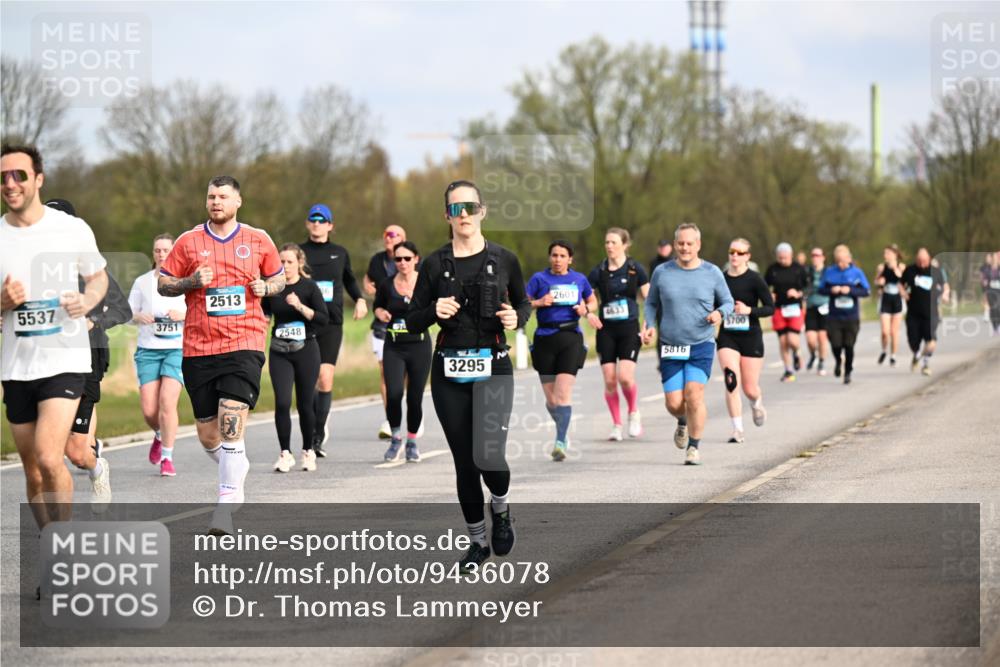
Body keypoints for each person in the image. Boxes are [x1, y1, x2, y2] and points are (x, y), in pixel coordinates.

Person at [406, 179, 531, 572]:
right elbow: (411, 321)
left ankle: (502, 507)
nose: (464, 215)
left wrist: (517, 318)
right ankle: (477, 542)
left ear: (482, 211)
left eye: (470, 207)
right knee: (464, 461)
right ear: (447, 215)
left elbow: (524, 303)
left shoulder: (505, 258)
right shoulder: (433, 263)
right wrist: (433, 311)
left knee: (489, 455)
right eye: (456, 209)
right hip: (448, 368)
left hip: (493, 364)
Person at [158, 175, 284, 534]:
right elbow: (163, 283)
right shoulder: (188, 242)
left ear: (237, 202)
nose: (215, 202)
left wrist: (266, 286)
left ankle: (225, 508)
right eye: (211, 196)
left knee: (232, 422)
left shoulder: (257, 240)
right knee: (208, 435)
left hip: (244, 342)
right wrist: (190, 283)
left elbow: (278, 279)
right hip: (199, 348)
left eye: (223, 196)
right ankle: (235, 465)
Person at [1, 144, 109, 528]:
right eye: (4, 178)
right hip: (16, 368)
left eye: (20, 175)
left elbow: (98, 278)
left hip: (65, 361)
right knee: (32, 472)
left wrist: (86, 301)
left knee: (50, 458)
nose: (11, 184)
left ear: (38, 180)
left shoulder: (71, 228)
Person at [44, 199, 129, 498]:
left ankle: (96, 466)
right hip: (47, 359)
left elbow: (124, 310)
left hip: (89, 355)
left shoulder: (93, 269)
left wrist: (96, 321)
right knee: (47, 448)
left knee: (77, 453)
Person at [642, 223, 734, 465]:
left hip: (700, 343)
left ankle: (693, 447)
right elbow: (650, 303)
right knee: (674, 403)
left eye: (689, 243)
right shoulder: (662, 272)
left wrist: (719, 314)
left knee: (694, 395)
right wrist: (650, 324)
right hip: (670, 344)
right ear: (675, 245)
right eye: (680, 243)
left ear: (698, 245)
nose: (684, 247)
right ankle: (682, 420)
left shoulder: (712, 272)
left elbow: (728, 302)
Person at [301, 204, 367, 457]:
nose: (317, 223)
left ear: (330, 225)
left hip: (331, 322)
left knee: (325, 377)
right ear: (307, 224)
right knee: (309, 381)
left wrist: (360, 299)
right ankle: (316, 421)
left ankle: (317, 435)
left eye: (322, 220)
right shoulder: (300, 253)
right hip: (304, 323)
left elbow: (349, 279)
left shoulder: (339, 253)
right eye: (313, 219)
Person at [525, 240, 599, 461]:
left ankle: (560, 441)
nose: (558, 260)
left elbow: (592, 301)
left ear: (570, 259)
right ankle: (563, 431)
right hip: (544, 338)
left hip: (570, 338)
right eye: (554, 255)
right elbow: (523, 303)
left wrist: (586, 309)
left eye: (562, 256)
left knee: (562, 394)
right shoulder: (539, 279)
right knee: (552, 401)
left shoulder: (579, 279)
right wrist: (539, 302)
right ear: (550, 258)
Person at [263, 243, 328, 472]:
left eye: (289, 261)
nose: (285, 266)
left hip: (306, 349)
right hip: (280, 350)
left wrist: (299, 306)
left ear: (299, 263)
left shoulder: (309, 287)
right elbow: (263, 316)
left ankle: (308, 450)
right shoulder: (273, 288)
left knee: (305, 403)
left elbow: (322, 318)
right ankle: (285, 453)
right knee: (282, 402)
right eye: (281, 262)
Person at [129, 233, 187, 476]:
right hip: (148, 351)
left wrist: (182, 315)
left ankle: (167, 457)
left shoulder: (184, 282)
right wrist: (138, 317)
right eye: (158, 250)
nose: (162, 254)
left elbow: (199, 310)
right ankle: (159, 433)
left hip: (176, 350)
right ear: (153, 254)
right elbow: (127, 313)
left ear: (174, 252)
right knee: (149, 411)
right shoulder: (142, 282)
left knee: (167, 403)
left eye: (166, 250)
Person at [587, 228, 650, 441]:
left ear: (625, 245)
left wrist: (647, 326)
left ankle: (633, 412)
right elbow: (584, 295)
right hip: (606, 330)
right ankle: (616, 424)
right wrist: (589, 313)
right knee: (610, 380)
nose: (609, 246)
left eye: (614, 242)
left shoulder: (635, 269)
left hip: (629, 328)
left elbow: (650, 300)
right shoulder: (599, 271)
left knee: (625, 376)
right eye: (607, 242)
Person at [374, 240, 431, 463]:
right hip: (394, 347)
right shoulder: (387, 284)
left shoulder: (425, 284)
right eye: (398, 259)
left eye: (407, 258)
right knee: (394, 394)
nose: (403, 263)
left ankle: (412, 441)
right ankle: (396, 437)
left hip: (419, 346)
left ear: (416, 259)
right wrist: (380, 313)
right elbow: (377, 306)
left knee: (415, 398)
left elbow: (436, 308)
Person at [717, 238, 774, 443]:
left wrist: (749, 310)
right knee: (731, 380)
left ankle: (756, 402)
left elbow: (770, 308)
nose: (735, 256)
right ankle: (737, 429)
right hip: (728, 335)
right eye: (732, 251)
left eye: (740, 253)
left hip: (751, 335)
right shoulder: (720, 279)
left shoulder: (755, 279)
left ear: (747, 257)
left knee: (749, 388)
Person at [364, 224, 406, 440]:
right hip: (382, 325)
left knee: (405, 375)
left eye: (393, 234)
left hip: (407, 325)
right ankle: (391, 419)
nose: (388, 237)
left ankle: (409, 412)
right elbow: (367, 278)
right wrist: (368, 287)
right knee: (385, 373)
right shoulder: (377, 260)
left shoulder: (410, 258)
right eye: (386, 234)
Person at [817, 244, 870, 385]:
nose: (841, 264)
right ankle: (838, 360)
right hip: (834, 316)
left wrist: (851, 290)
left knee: (849, 346)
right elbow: (821, 290)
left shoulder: (857, 272)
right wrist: (831, 290)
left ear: (849, 258)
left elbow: (866, 291)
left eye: (843, 260)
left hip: (851, 317)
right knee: (835, 344)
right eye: (838, 261)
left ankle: (847, 372)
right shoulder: (829, 272)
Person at [901, 248, 950, 374]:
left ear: (929, 259)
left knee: (931, 342)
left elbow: (945, 285)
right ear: (916, 260)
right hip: (913, 312)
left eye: (924, 261)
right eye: (919, 261)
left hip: (930, 312)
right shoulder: (909, 270)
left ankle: (926, 363)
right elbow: (900, 284)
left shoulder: (935, 271)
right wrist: (903, 293)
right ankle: (917, 355)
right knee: (913, 342)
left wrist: (945, 294)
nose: (922, 264)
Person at [765, 242, 808, 382]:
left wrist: (798, 293)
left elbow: (809, 288)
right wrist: (769, 294)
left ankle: (797, 352)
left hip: (795, 308)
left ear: (791, 255)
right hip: (779, 308)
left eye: (785, 258)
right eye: (780, 258)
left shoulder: (798, 269)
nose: (783, 260)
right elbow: (764, 286)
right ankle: (788, 370)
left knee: (792, 339)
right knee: (783, 341)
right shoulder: (772, 269)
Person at [875, 244, 906, 366]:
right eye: (884, 253)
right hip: (885, 299)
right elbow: (876, 281)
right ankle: (884, 350)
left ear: (895, 255)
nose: (885, 256)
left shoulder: (901, 267)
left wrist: (895, 270)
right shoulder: (881, 267)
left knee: (894, 332)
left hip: (897, 300)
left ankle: (893, 356)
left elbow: (904, 280)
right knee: (885, 331)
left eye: (887, 253)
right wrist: (879, 283)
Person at [803, 247, 830, 376]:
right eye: (813, 255)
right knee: (810, 339)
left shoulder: (828, 272)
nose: (815, 257)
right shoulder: (807, 271)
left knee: (822, 338)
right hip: (811, 307)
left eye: (818, 255)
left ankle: (821, 362)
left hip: (825, 307)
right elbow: (801, 286)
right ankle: (813, 354)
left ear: (823, 257)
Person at [982, 251, 1000, 336]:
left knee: (998, 308)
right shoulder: (988, 269)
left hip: (999, 291)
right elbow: (984, 278)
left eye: (997, 258)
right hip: (990, 291)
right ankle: (995, 327)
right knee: (993, 309)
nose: (996, 260)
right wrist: (985, 282)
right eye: (994, 258)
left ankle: (998, 325)